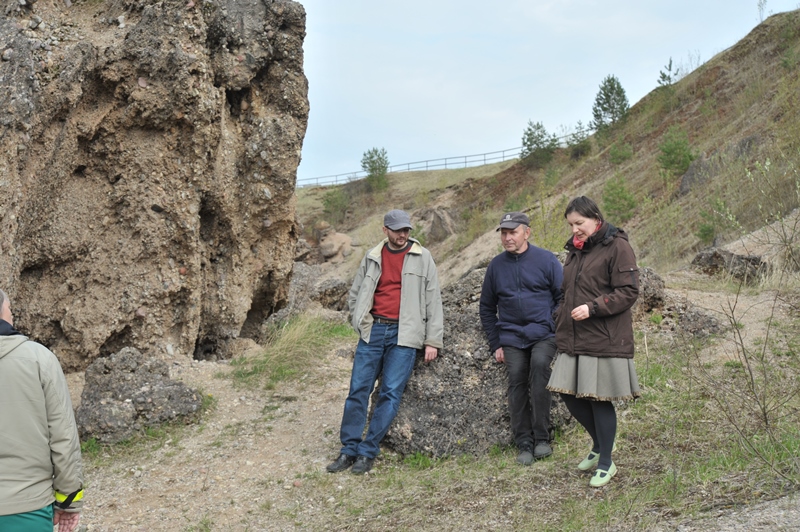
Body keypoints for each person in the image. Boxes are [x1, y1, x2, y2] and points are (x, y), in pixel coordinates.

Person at [326, 209, 444, 475]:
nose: (403, 234)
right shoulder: (372, 256)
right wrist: (359, 321)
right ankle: (348, 449)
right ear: (385, 230)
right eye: (397, 230)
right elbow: (356, 293)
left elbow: (433, 300)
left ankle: (368, 451)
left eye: (406, 230)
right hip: (373, 331)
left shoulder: (423, 257)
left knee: (390, 393)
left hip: (405, 335)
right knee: (358, 390)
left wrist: (433, 340)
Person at [546, 196, 640, 488]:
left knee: (598, 398)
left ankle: (606, 462)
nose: (575, 229)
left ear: (596, 219)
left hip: (603, 335)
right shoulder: (576, 250)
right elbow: (568, 290)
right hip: (573, 334)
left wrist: (593, 307)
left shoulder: (618, 246)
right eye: (571, 224)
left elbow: (628, 291)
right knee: (569, 393)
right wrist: (560, 314)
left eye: (579, 223)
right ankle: (600, 445)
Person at [479, 212, 563, 465]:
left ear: (526, 232)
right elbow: (487, 307)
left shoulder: (546, 259)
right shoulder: (496, 266)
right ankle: (524, 443)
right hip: (512, 336)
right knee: (516, 377)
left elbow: (562, 297)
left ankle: (542, 439)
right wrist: (496, 343)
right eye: (504, 233)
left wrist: (553, 325)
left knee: (540, 366)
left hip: (543, 333)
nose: (507, 238)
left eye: (512, 232)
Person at [0, 289, 84, 531]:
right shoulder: (39, 359)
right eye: (10, 310)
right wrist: (68, 500)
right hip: (27, 507)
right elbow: (63, 437)